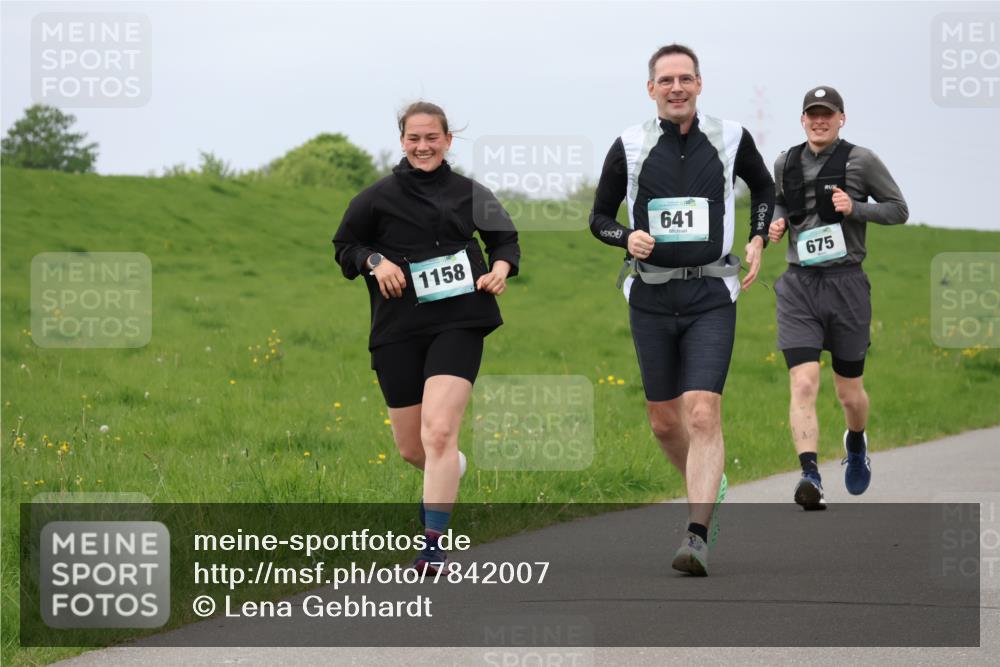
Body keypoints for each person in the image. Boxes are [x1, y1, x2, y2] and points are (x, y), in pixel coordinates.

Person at [590, 44, 775, 576]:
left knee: (702, 411)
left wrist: (759, 235)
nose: (676, 88)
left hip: (712, 294)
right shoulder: (628, 145)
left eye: (685, 79)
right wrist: (626, 237)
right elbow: (599, 217)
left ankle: (696, 532)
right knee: (665, 423)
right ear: (651, 89)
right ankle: (708, 487)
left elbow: (762, 188)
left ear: (699, 84)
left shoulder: (732, 136)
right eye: (666, 80)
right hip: (650, 296)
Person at [333, 101, 520, 570]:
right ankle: (450, 469)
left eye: (431, 138)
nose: (423, 146)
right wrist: (374, 262)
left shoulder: (470, 192)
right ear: (402, 141)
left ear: (447, 140)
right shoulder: (375, 198)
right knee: (412, 448)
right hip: (397, 328)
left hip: (460, 320)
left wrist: (500, 269)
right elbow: (345, 247)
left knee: (439, 431)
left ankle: (433, 545)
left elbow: (504, 240)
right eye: (414, 138)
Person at [768, 86, 908, 510]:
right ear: (803, 119)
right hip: (798, 285)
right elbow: (779, 202)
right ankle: (810, 474)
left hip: (846, 284)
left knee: (849, 392)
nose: (819, 120)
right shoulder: (785, 161)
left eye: (827, 114)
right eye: (812, 114)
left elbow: (898, 209)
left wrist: (856, 208)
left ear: (841, 118)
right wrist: (775, 225)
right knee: (804, 380)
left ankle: (857, 441)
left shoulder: (862, 160)